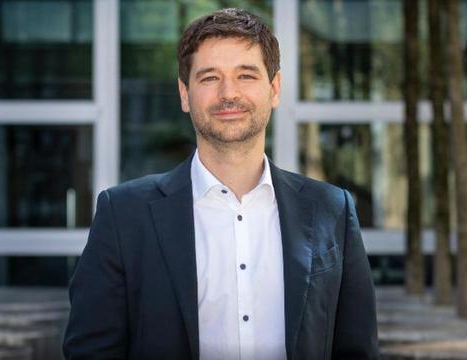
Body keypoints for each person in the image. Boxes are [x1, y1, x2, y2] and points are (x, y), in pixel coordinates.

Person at [63, 8, 378, 360]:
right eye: (209, 77)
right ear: (185, 94)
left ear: (274, 89)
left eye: (246, 75)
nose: (229, 93)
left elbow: (357, 350)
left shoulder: (331, 211)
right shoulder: (122, 216)